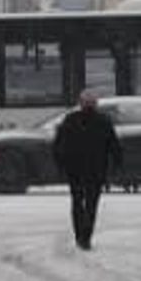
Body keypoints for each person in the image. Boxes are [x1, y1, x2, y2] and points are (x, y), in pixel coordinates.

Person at [52, 91, 123, 250]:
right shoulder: (103, 121)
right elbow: (113, 145)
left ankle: (79, 235)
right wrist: (117, 164)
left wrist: (60, 164)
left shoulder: (71, 120)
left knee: (77, 202)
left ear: (80, 103)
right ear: (95, 105)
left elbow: (59, 144)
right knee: (92, 204)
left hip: (74, 169)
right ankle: (86, 237)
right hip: (96, 170)